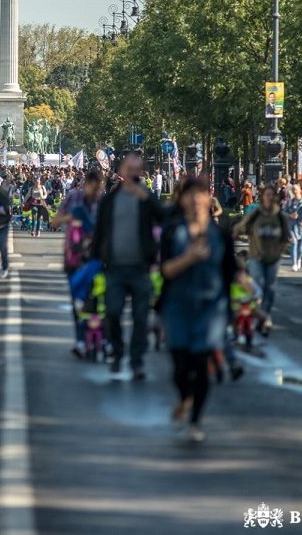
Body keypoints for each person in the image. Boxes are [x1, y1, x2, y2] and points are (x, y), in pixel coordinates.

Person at [159, 176, 237, 443]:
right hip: (177, 306)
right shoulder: (172, 232)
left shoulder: (221, 235)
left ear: (208, 198)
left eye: (200, 193)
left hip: (211, 307)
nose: (194, 199)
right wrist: (189, 258)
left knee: (201, 364)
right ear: (181, 200)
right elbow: (166, 271)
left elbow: (230, 273)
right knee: (181, 365)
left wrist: (234, 305)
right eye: (189, 194)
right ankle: (184, 397)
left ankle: (195, 421)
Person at [91, 154, 162, 380]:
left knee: (141, 316)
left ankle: (137, 360)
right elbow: (100, 231)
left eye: (136, 169)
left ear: (140, 172)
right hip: (114, 267)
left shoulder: (146, 197)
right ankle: (117, 352)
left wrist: (148, 200)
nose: (132, 173)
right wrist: (94, 261)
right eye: (128, 168)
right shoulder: (110, 200)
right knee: (112, 312)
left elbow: (165, 217)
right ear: (121, 170)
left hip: (140, 267)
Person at [53, 170, 104, 357]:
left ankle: (100, 338)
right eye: (93, 186)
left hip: (98, 259)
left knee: (99, 301)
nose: (96, 191)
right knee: (78, 300)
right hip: (74, 259)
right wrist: (72, 218)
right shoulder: (73, 198)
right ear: (86, 184)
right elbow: (55, 221)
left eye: (99, 188)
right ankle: (80, 339)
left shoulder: (103, 203)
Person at [234, 185, 290, 333]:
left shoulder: (280, 217)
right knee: (257, 285)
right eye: (267, 195)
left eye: (273, 195)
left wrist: (279, 251)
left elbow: (286, 237)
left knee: (269, 289)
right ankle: (257, 315)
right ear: (262, 197)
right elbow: (241, 227)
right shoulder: (255, 214)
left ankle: (264, 315)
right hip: (256, 257)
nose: (270, 198)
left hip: (273, 258)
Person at [285, 183, 302, 272]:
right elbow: (284, 213)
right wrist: (290, 215)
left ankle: (299, 259)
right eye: (293, 190)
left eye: (296, 190)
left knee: (300, 247)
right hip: (292, 226)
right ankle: (294, 264)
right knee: (294, 243)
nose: (295, 192)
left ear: (300, 190)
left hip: (301, 226)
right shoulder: (289, 202)